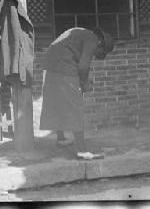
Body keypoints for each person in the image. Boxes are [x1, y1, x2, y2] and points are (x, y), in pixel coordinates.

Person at [40, 27, 114, 160]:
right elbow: (83, 66)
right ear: (100, 44)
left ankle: (61, 138)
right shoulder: (92, 39)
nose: (95, 55)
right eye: (99, 53)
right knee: (75, 107)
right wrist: (84, 84)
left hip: (50, 65)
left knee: (58, 103)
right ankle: (82, 151)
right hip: (64, 66)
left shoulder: (80, 32)